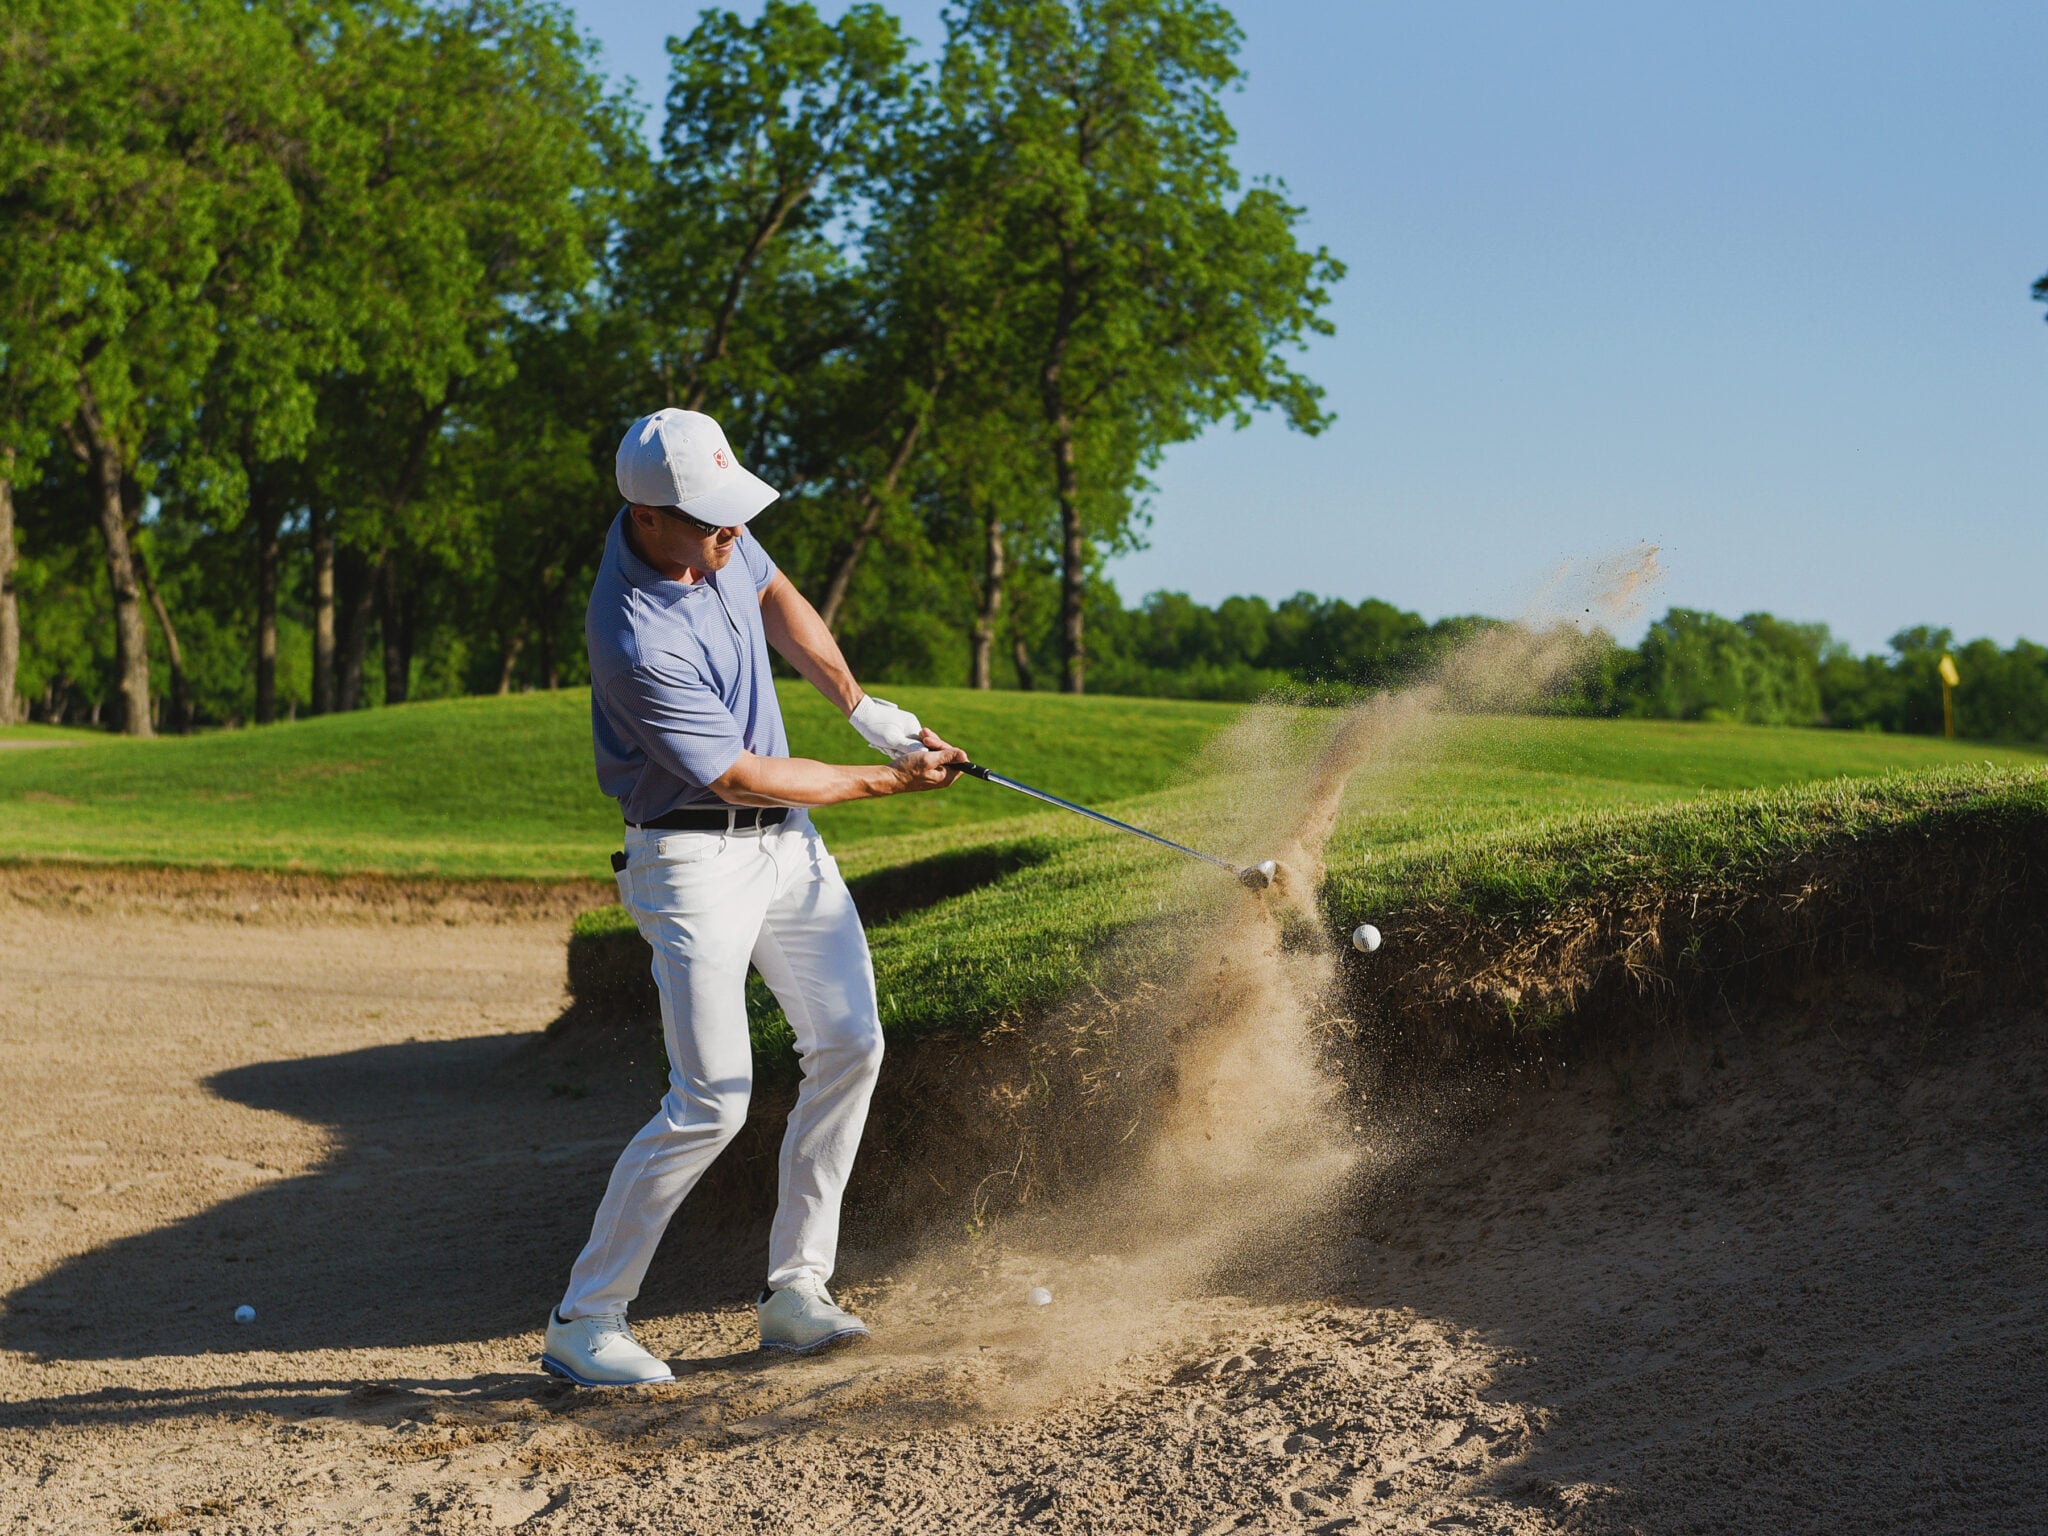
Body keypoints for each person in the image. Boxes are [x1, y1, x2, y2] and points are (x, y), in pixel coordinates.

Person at [541, 407, 966, 1388]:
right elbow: (740, 777)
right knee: (710, 1100)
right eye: (711, 526)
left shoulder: (716, 531)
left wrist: (869, 716)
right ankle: (584, 1319)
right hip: (690, 864)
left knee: (851, 1044)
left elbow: (779, 598)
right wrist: (889, 784)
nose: (730, 540)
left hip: (787, 851)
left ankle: (795, 1294)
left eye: (735, 519)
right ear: (648, 518)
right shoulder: (633, 637)